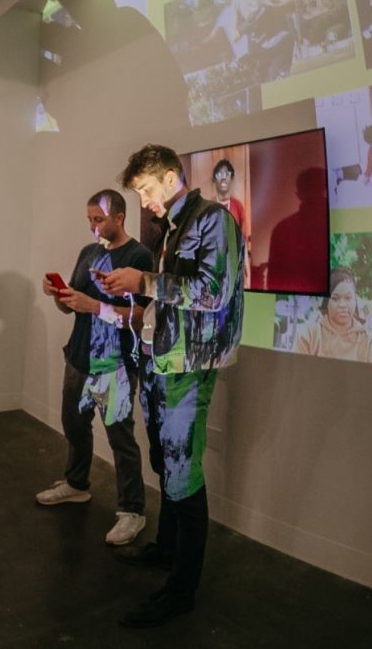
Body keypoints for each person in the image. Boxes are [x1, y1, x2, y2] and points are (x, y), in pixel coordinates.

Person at [98, 144, 244, 628]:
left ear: (168, 176)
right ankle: (166, 550)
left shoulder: (213, 220)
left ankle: (182, 589)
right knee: (166, 462)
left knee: (182, 472)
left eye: (144, 189)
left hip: (191, 364)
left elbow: (214, 292)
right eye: (138, 193)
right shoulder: (175, 227)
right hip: (168, 359)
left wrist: (145, 281)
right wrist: (139, 292)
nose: (144, 201)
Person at [37, 189, 156, 547]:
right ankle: (76, 484)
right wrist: (59, 296)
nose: (92, 227)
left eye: (98, 219)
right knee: (73, 424)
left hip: (115, 360)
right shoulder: (88, 252)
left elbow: (141, 319)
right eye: (89, 219)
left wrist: (92, 305)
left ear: (119, 217)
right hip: (79, 354)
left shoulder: (139, 256)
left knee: (120, 436)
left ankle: (132, 510)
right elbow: (72, 306)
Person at [291, 268, 372, 363]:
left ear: (355, 300)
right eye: (335, 298)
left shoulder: (370, 343)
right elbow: (294, 371)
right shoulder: (309, 335)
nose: (342, 305)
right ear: (327, 301)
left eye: (348, 298)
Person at [209, 158, 249, 235]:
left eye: (227, 174)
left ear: (232, 178)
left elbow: (244, 237)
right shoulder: (208, 207)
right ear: (214, 179)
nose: (223, 178)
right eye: (219, 175)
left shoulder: (238, 206)